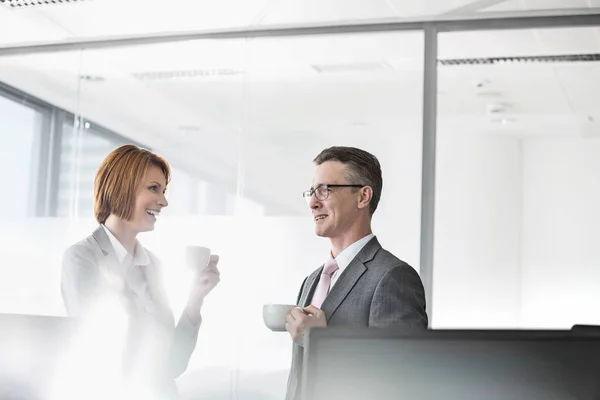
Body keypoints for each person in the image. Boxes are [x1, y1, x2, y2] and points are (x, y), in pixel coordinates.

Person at [61, 144, 220, 399]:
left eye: (164, 190)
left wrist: (195, 298)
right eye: (154, 188)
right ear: (122, 187)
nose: (164, 201)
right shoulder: (82, 257)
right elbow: (101, 349)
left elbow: (172, 365)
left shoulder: (152, 265)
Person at [285, 146, 428, 400]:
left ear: (363, 197)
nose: (313, 202)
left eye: (325, 190)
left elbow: (402, 382)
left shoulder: (392, 277)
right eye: (311, 192)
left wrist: (323, 343)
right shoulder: (311, 281)